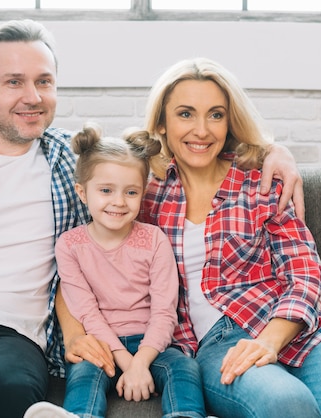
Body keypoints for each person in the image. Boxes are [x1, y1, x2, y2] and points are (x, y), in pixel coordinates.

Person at [0, 19, 302, 418]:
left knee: (3, 397)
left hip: (5, 338)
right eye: (14, 82)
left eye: (44, 82)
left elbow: (178, 146)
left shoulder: (82, 163)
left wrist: (268, 151)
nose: (32, 96)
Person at [133, 57, 321, 417]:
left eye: (216, 115)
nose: (202, 130)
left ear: (229, 121)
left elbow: (305, 271)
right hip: (221, 342)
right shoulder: (145, 196)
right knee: (287, 405)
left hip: (312, 329)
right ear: (161, 121)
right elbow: (98, 176)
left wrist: (270, 338)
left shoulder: (261, 182)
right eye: (185, 114)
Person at [55, 124, 205, 418]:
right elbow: (86, 313)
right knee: (84, 374)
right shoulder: (70, 246)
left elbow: (165, 311)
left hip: (155, 342)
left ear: (143, 192)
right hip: (101, 343)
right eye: (106, 190)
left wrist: (142, 362)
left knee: (185, 368)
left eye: (131, 191)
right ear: (82, 193)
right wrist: (126, 362)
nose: (119, 201)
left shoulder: (154, 240)